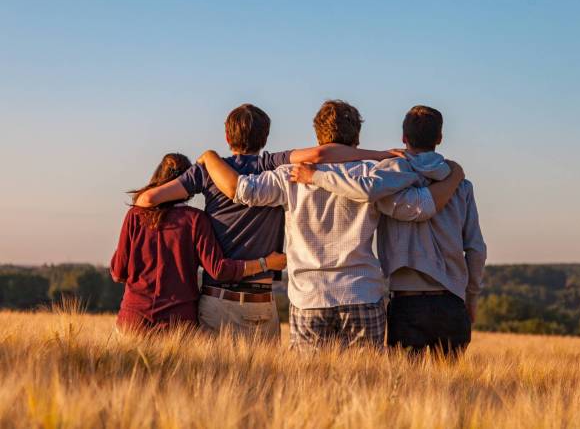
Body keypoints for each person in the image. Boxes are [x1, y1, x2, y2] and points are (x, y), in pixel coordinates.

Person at [198, 100, 465, 350]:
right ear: (357, 137)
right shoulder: (374, 174)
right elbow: (418, 208)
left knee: (310, 388)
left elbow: (242, 190)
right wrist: (454, 177)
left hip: (309, 297)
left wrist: (210, 157)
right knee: (366, 387)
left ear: (318, 136)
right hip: (362, 293)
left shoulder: (289, 175)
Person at [134, 103, 404, 340]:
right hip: (266, 300)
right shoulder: (273, 164)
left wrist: (194, 210)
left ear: (227, 136)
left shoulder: (208, 171)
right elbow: (321, 155)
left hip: (219, 298)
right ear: (265, 137)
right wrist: (380, 155)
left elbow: (147, 201)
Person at [291, 105, 486, 356]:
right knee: (450, 391)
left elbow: (364, 190)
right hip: (451, 301)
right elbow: (476, 249)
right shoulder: (461, 185)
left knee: (403, 389)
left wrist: (316, 176)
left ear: (404, 138)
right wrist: (471, 298)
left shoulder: (386, 178)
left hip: (406, 302)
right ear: (439, 138)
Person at [110, 153, 287, 334]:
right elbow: (218, 269)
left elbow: (118, 272)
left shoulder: (135, 215)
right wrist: (265, 263)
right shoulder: (195, 219)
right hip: (178, 323)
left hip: (132, 320)